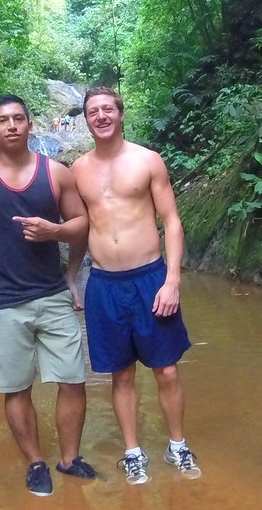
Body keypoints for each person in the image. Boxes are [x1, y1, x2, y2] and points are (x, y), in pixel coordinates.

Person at [0, 94, 96, 497]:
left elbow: (82, 224)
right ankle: (36, 462)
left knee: (73, 380)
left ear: (30, 125)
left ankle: (69, 459)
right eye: (2, 121)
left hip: (52, 293)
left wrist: (60, 246)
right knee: (15, 387)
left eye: (19, 118)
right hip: (3, 300)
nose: (12, 125)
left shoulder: (56, 173)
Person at [70, 86, 201, 485]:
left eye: (108, 109)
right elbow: (78, 227)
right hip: (104, 283)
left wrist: (172, 280)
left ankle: (177, 444)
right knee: (121, 375)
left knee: (167, 371)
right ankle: (132, 451)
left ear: (121, 114)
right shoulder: (78, 169)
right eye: (94, 111)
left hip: (149, 279)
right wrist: (71, 277)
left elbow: (172, 221)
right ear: (87, 119)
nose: (101, 116)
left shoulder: (148, 160)